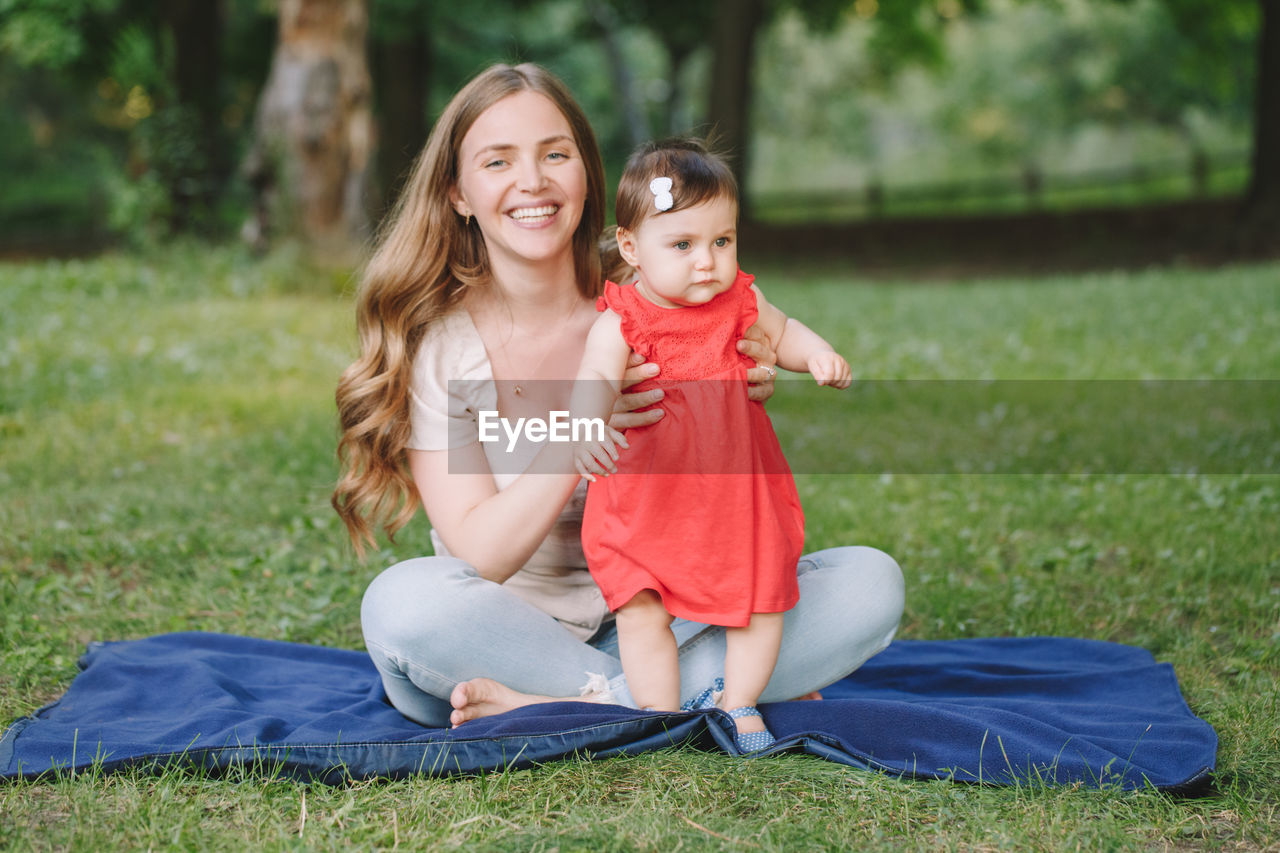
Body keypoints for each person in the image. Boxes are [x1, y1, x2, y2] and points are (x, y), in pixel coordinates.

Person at [334, 62, 904, 735]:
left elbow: (753, 347)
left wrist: (741, 384)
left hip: (681, 606)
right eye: (498, 161)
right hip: (518, 630)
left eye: (556, 154)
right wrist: (579, 438)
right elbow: (479, 556)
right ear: (458, 192)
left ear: (587, 174)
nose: (533, 181)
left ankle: (574, 707)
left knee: (871, 583)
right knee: (403, 605)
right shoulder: (442, 349)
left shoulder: (662, 284)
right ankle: (699, 692)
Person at [570, 139, 851, 751]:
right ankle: (658, 712)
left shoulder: (739, 304)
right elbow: (594, 376)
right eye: (683, 245)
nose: (707, 262)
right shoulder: (623, 319)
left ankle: (738, 701)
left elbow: (784, 331)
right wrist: (587, 424)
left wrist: (816, 354)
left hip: (736, 502)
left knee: (761, 598)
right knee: (642, 608)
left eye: (721, 241)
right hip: (647, 505)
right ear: (630, 248)